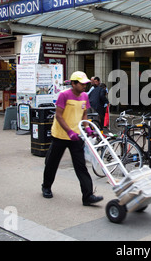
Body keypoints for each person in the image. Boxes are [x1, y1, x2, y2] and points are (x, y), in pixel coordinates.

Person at [42, 71, 103, 206]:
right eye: (82, 84)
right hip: (60, 135)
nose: (84, 86)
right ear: (73, 83)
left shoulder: (84, 96)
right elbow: (59, 115)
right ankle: (46, 186)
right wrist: (69, 131)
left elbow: (84, 114)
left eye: (86, 84)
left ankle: (88, 196)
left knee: (81, 166)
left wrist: (87, 128)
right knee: (52, 162)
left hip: (77, 136)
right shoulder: (64, 95)